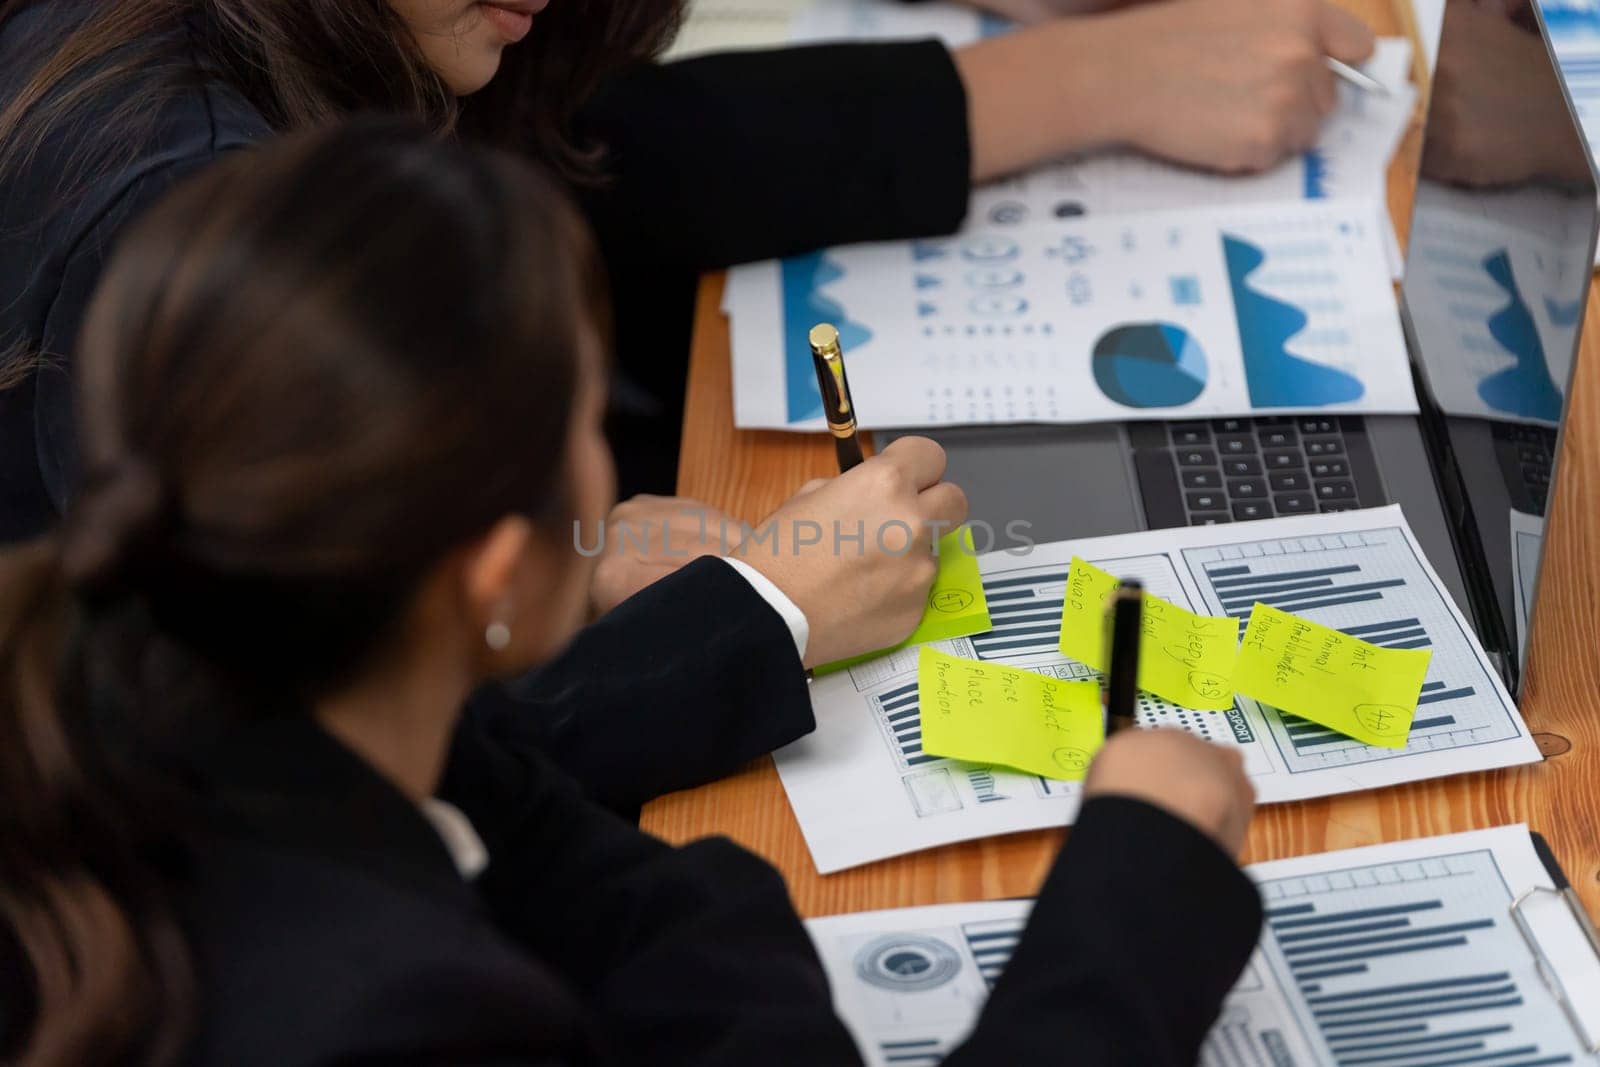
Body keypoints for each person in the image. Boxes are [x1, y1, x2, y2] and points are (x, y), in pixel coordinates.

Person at [0, 120, 1262, 1067]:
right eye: (590, 419)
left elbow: (613, 882)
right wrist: (1132, 907)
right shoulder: (400, 1017)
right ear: (495, 571)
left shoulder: (213, 691)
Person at [0, 0, 1377, 539]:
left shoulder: (327, 50)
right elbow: (294, 754)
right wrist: (724, 614)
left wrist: (1069, 84)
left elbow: (577, 160)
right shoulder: (181, 205)